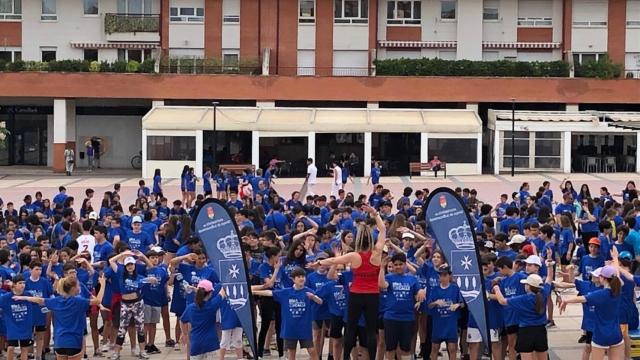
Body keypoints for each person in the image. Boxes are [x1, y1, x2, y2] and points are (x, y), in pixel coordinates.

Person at [310, 204, 386, 360]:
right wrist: (374, 213)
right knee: (371, 331)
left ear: (358, 240)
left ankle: (346, 357)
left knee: (350, 329)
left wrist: (317, 264)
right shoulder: (377, 253)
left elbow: (333, 260)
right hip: (372, 295)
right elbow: (383, 229)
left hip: (356, 294)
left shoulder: (354, 256)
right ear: (371, 239)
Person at [560, 265, 624, 360]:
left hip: (601, 335)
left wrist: (566, 301)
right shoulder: (618, 291)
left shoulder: (600, 294)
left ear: (602, 278)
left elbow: (582, 298)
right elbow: (620, 280)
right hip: (616, 334)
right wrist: (615, 259)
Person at [180, 280, 227, 360]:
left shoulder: (190, 308)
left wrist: (184, 334)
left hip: (196, 345)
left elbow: (182, 321)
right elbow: (223, 291)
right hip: (211, 344)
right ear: (210, 293)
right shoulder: (212, 305)